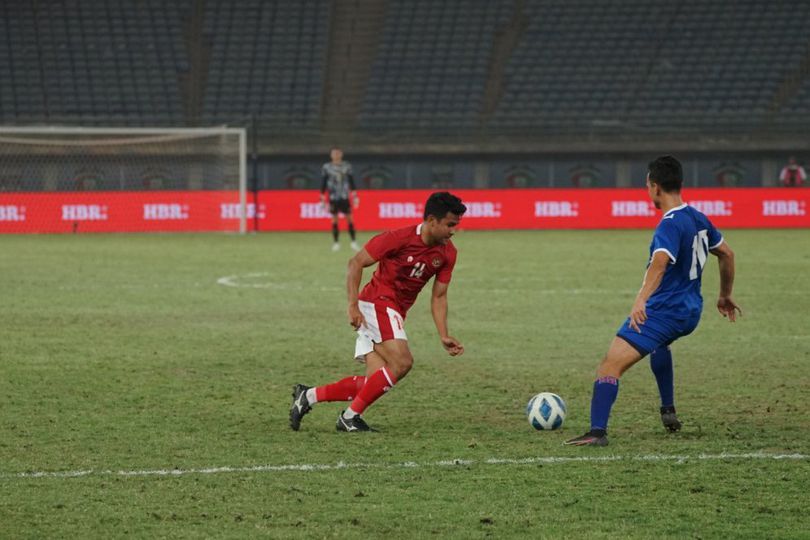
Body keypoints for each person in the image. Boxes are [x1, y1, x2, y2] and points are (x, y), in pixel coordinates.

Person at [565, 155, 742, 447]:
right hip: (690, 311)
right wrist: (724, 295)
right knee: (661, 344)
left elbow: (659, 263)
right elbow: (727, 253)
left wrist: (640, 301)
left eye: (647, 184)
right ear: (680, 184)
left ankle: (597, 432)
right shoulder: (698, 217)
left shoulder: (669, 225)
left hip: (664, 312)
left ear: (655, 186)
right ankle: (668, 410)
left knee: (609, 366)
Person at [290, 192, 467, 432]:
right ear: (432, 221)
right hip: (377, 303)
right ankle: (349, 417)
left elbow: (439, 296)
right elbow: (356, 262)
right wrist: (352, 305)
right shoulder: (398, 238)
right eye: (450, 224)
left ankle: (308, 396)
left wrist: (443, 334)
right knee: (403, 362)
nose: (453, 230)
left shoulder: (448, 253)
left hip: (393, 311)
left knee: (375, 381)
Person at [320, 147, 360, 251]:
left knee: (350, 219)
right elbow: (323, 182)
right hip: (333, 197)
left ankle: (353, 242)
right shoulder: (327, 167)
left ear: (341, 154)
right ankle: (336, 243)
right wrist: (322, 196)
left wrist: (355, 195)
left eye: (338, 153)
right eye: (334, 153)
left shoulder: (347, 166)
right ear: (331, 155)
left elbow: (351, 181)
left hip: (344, 196)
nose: (336, 155)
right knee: (334, 220)